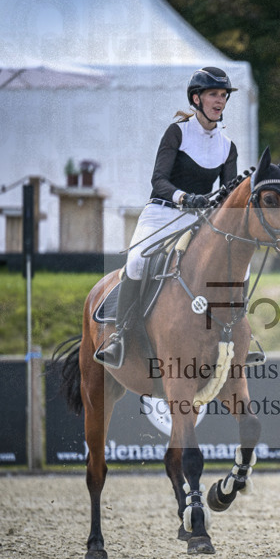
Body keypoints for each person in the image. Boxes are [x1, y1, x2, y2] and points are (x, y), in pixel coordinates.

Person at [94, 67, 239, 368]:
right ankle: (119, 337)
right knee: (136, 262)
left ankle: (239, 334)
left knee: (234, 265)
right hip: (162, 213)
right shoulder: (177, 133)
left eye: (224, 96)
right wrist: (185, 198)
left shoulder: (227, 146)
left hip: (198, 221)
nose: (220, 101)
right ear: (196, 98)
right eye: (214, 94)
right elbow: (158, 181)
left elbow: (226, 194)